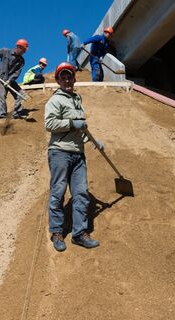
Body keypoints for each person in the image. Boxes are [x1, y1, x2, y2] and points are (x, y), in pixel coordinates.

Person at [44, 62, 104, 252]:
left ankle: (79, 234)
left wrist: (95, 140)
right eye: (63, 77)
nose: (67, 79)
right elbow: (50, 124)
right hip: (60, 152)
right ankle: (57, 232)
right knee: (58, 192)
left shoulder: (77, 100)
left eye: (70, 76)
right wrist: (72, 123)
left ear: (74, 79)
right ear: (58, 80)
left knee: (81, 194)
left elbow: (81, 128)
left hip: (78, 154)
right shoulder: (55, 100)